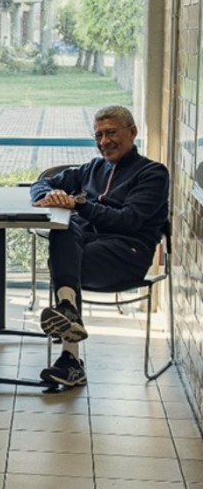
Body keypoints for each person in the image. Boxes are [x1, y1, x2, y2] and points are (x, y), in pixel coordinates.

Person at [31, 105, 169, 387]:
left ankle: (70, 341)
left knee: (65, 256)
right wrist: (52, 193)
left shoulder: (153, 173)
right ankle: (68, 319)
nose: (103, 142)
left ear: (132, 132)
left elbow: (127, 221)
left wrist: (80, 205)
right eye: (98, 136)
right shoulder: (94, 167)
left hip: (126, 254)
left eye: (110, 133)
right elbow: (41, 183)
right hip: (87, 249)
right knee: (64, 228)